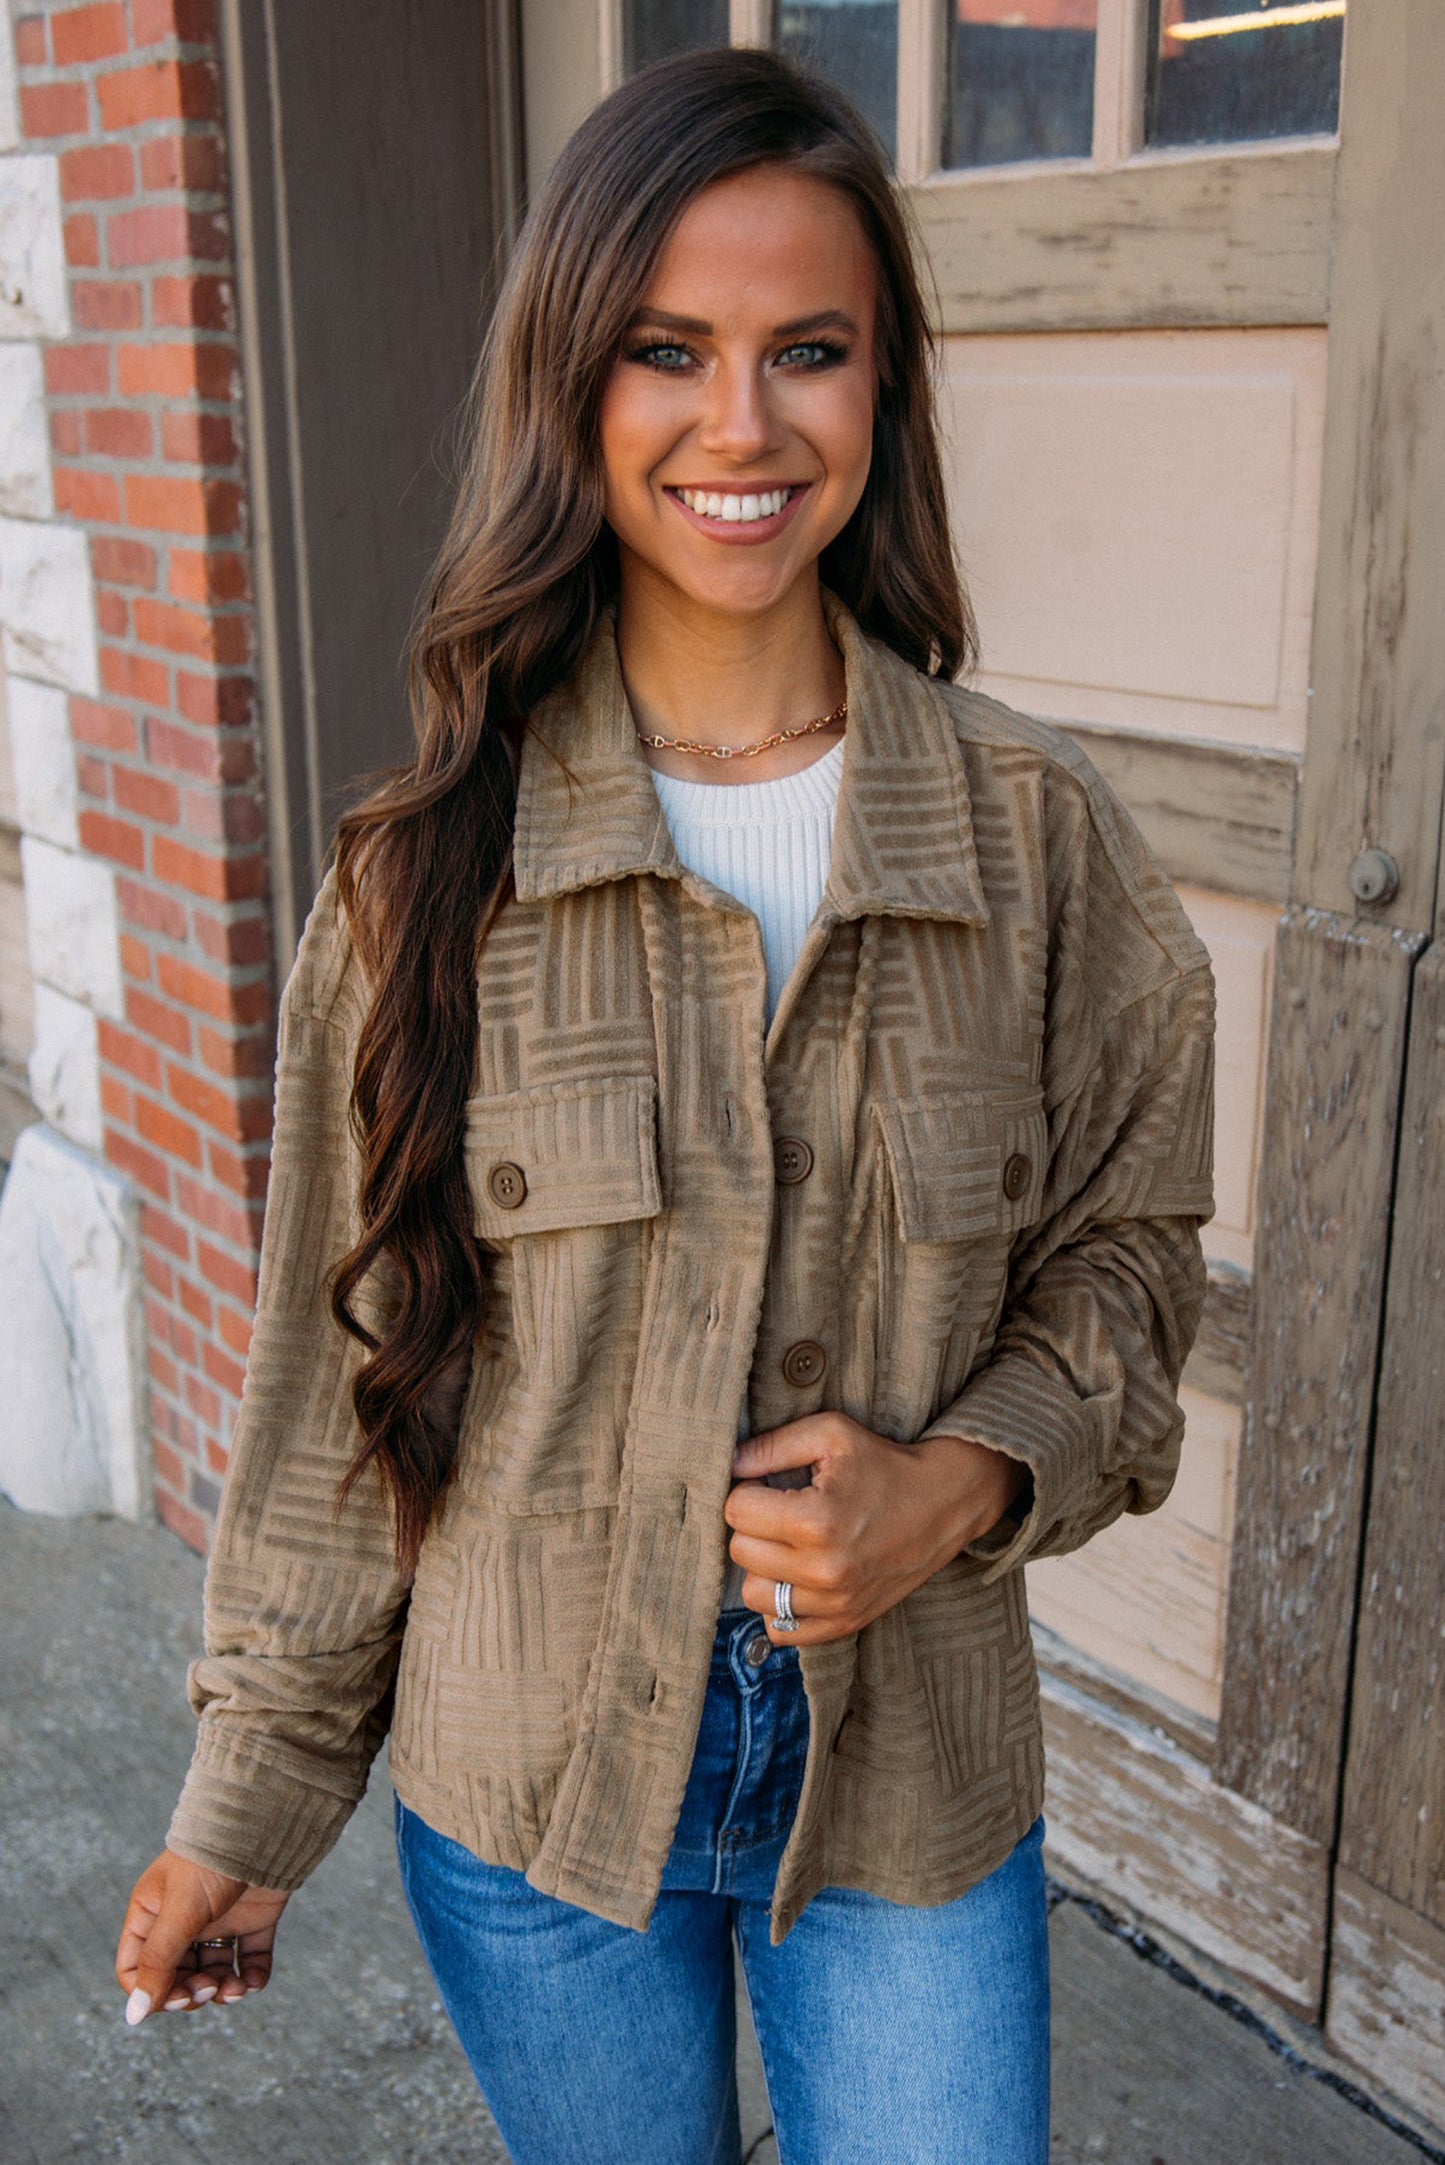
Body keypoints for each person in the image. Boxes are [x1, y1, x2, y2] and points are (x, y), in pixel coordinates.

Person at [115, 45, 1215, 2165]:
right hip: (529, 1796)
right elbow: (342, 1379)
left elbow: (1131, 1272)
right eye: (666, 353)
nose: (743, 425)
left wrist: (964, 1483)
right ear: (572, 392)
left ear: (882, 387)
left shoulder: (1042, 848)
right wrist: (252, 1806)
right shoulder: (425, 877)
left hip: (909, 1783)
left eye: (809, 349)